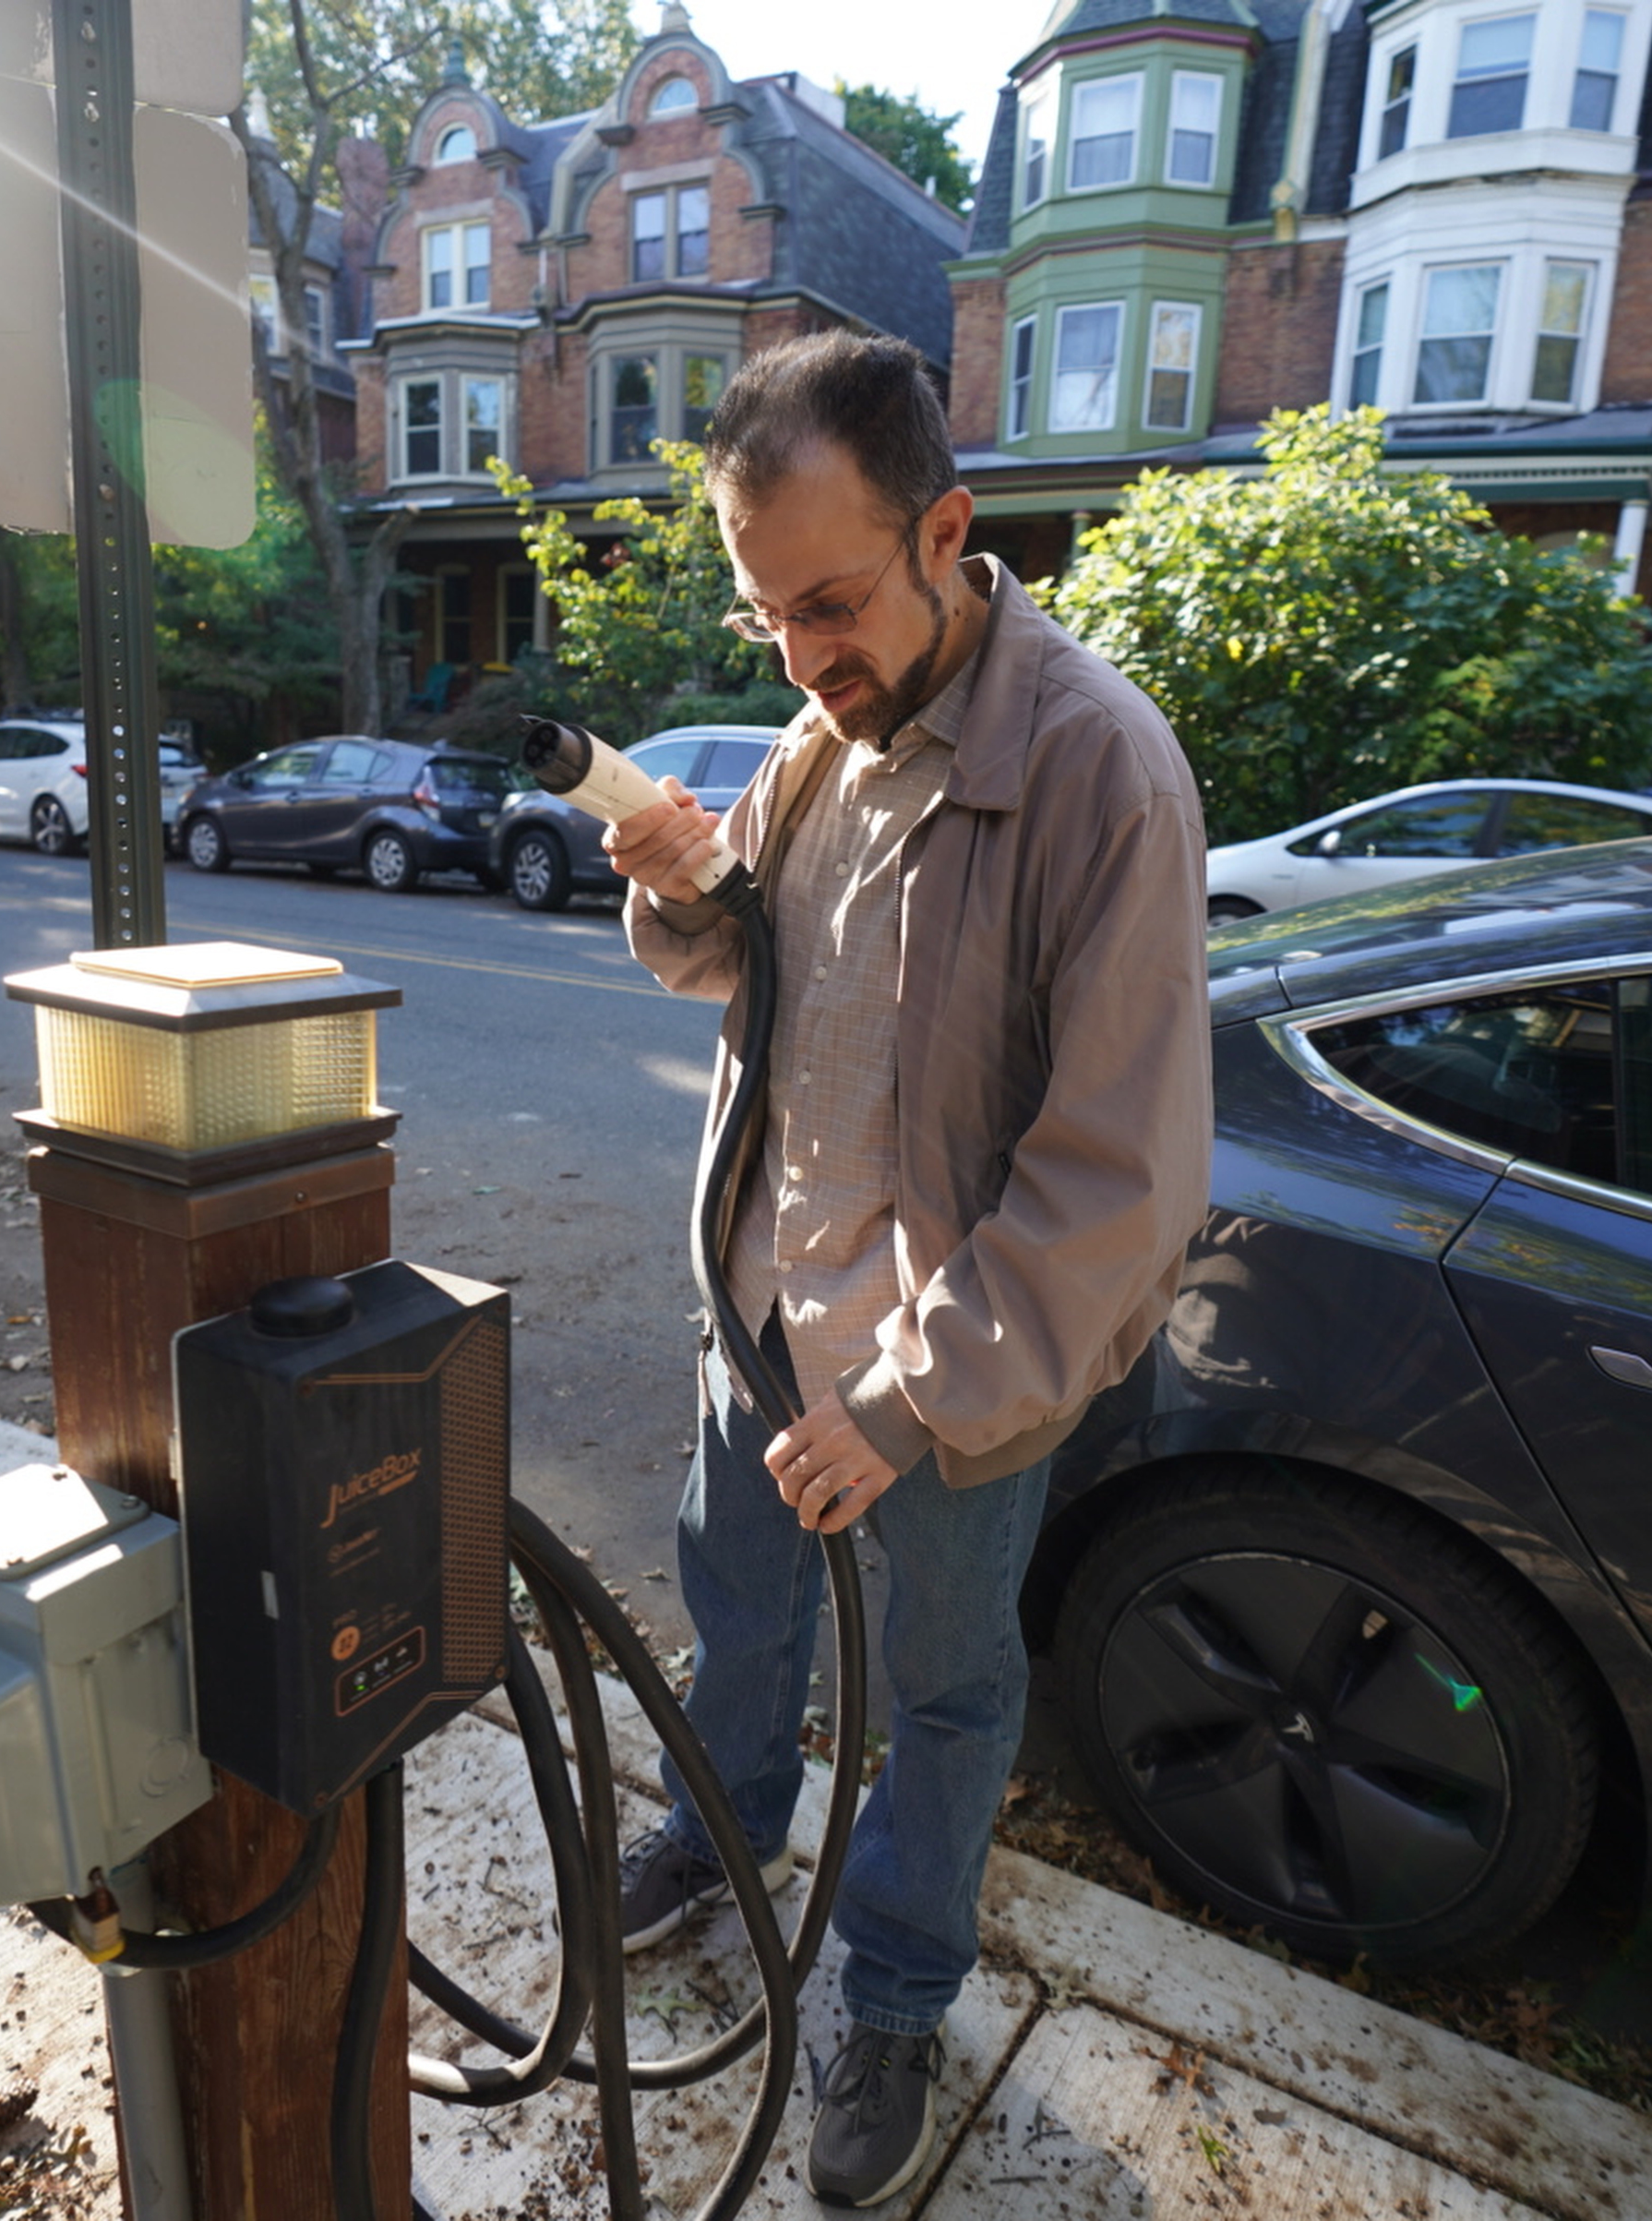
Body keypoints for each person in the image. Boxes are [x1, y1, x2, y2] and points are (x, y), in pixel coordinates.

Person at [603, 331, 1211, 2208]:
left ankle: (891, 1995)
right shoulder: (820, 742)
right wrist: (674, 879)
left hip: (952, 1392)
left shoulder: (1102, 773)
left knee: (943, 1700)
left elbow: (1116, 1186)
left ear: (949, 531)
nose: (801, 656)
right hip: (764, 1329)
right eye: (769, 613)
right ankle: (728, 1823)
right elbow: (739, 979)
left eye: (834, 603)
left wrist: (904, 1398)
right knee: (742, 1614)